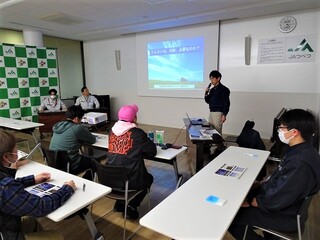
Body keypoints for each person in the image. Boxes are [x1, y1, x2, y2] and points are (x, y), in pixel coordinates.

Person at [228, 109, 320, 240]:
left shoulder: (300, 163)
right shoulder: (301, 150)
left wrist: (250, 201)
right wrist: (260, 184)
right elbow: (281, 180)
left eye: (282, 128)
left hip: (284, 215)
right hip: (284, 206)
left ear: (294, 132)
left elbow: (279, 197)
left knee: (232, 217)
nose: (279, 131)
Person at [0, 129, 76, 240]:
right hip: (6, 234)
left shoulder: (5, 183)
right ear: (6, 157)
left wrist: (33, 180)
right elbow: (41, 206)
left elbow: (8, 184)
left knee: (31, 222)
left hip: (6, 225)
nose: (18, 152)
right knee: (56, 236)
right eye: (16, 151)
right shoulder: (5, 187)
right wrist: (67, 189)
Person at [107, 104, 156, 220]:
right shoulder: (138, 134)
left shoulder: (111, 132)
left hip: (110, 179)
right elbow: (152, 151)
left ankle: (120, 203)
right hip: (130, 180)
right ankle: (132, 205)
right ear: (134, 118)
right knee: (149, 178)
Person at [49, 105, 96, 180]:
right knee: (94, 162)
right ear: (77, 118)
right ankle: (86, 183)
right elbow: (92, 140)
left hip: (54, 162)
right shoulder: (76, 128)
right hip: (69, 164)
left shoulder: (57, 125)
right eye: (81, 118)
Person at [204, 70, 230, 156]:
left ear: (218, 78)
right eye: (210, 78)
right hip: (211, 111)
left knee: (217, 131)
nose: (211, 80)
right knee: (210, 130)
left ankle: (220, 148)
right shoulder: (212, 90)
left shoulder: (224, 90)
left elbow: (227, 103)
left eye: (212, 78)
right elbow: (207, 101)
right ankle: (214, 146)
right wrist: (206, 93)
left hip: (218, 112)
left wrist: (224, 114)